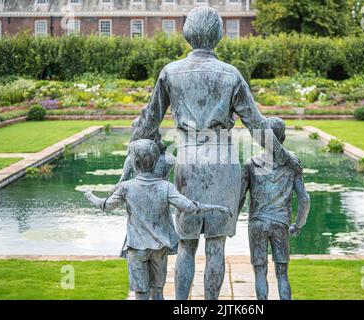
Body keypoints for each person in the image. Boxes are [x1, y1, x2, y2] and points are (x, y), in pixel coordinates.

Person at [116, 6, 303, 300]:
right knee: (216, 246)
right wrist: (282, 156)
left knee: (186, 246)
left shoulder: (170, 72)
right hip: (223, 161)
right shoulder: (230, 74)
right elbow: (257, 126)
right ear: (217, 35)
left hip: (189, 160)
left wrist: (132, 162)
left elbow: (149, 122)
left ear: (188, 33)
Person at [84, 139, 232, 300]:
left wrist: (90, 196)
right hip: (160, 248)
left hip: (136, 247)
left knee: (141, 293)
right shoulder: (165, 187)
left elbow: (106, 206)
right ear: (155, 161)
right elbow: (189, 207)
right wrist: (216, 207)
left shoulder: (126, 187)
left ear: (134, 162)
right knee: (158, 291)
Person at [239, 118, 310, 300]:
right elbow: (304, 200)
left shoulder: (251, 163)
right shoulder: (292, 164)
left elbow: (239, 197)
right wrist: (298, 224)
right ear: (283, 137)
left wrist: (230, 224)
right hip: (281, 223)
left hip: (257, 223)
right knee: (282, 274)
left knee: (260, 272)